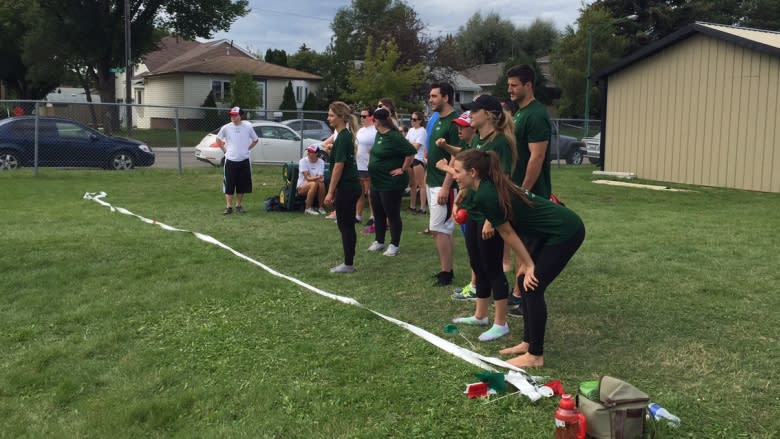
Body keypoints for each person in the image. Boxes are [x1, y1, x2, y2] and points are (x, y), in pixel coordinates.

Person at [448, 149, 585, 367]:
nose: (453, 175)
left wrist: (529, 264)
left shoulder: (487, 194)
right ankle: (527, 343)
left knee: (532, 285)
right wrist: (527, 264)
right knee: (523, 282)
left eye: (456, 171)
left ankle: (535, 355)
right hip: (544, 232)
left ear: (472, 172)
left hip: (565, 231)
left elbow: (507, 233)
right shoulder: (480, 188)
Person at [450, 95, 518, 303]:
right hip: (473, 209)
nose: (470, 114)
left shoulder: (500, 142)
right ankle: (480, 314)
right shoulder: (479, 139)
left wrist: (491, 220)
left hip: (489, 213)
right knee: (477, 264)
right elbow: (473, 176)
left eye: (474, 110)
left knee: (492, 267)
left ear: (487, 114)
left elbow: (502, 181)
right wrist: (460, 196)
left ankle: (500, 321)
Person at [507, 64, 553, 316]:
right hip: (516, 191)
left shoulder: (536, 115)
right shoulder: (520, 113)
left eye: (514, 85)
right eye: (509, 85)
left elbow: (537, 157)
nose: (510, 89)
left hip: (532, 195)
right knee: (521, 245)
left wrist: (523, 191)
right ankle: (517, 294)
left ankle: (526, 300)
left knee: (530, 251)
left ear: (528, 85)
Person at [366, 107, 417, 257]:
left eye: (373, 120)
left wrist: (403, 168)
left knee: (392, 213)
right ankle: (379, 241)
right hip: (376, 181)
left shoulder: (394, 136)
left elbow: (410, 152)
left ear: (377, 121)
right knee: (378, 212)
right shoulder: (378, 135)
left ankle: (394, 244)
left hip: (390, 182)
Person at [426, 82, 460, 286]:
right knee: (441, 229)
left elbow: (456, 156)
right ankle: (445, 269)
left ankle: (446, 273)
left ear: (446, 98)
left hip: (444, 183)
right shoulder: (437, 119)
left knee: (439, 229)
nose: (430, 100)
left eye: (434, 96)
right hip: (433, 181)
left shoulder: (455, 122)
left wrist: (447, 186)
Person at [323, 102, 362, 273]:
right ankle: (348, 261)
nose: (328, 118)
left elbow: (339, 166)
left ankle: (348, 264)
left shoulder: (344, 136)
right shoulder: (342, 136)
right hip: (350, 186)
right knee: (345, 224)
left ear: (341, 117)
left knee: (345, 225)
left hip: (347, 187)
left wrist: (330, 192)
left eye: (332, 115)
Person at [215, 106, 258, 214]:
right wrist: (225, 150)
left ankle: (238, 205)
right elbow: (218, 139)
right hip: (230, 160)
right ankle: (229, 207)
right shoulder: (226, 127)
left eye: (235, 115)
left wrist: (247, 149)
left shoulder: (247, 126)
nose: (233, 117)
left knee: (241, 184)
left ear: (240, 116)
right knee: (229, 184)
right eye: (231, 115)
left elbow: (255, 140)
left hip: (244, 160)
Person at [355, 107, 376, 227]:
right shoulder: (361, 130)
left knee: (370, 193)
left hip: (369, 166)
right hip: (359, 165)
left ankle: (374, 216)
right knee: (360, 192)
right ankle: (358, 216)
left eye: (364, 116)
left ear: (371, 117)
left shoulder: (375, 131)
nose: (361, 118)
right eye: (361, 116)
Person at [406, 111, 428, 214]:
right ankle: (412, 206)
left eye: (414, 119)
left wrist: (411, 144)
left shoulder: (422, 131)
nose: (412, 121)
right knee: (412, 184)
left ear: (420, 120)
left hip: (418, 159)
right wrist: (411, 144)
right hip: (410, 158)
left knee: (421, 184)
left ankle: (423, 208)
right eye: (411, 119)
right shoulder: (410, 130)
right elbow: (405, 144)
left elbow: (416, 147)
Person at [297, 144, 327, 215]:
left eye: (311, 151)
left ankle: (321, 207)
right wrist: (317, 178)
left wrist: (319, 178)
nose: (308, 153)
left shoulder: (321, 162)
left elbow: (320, 177)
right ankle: (308, 208)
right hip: (301, 187)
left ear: (316, 154)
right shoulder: (303, 161)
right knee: (314, 183)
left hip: (315, 185)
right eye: (308, 151)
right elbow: (308, 178)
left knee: (321, 184)